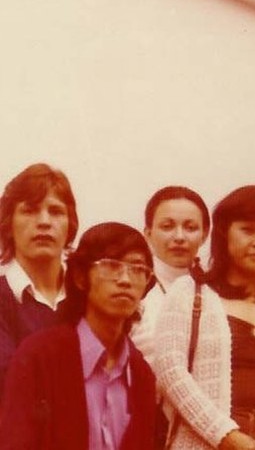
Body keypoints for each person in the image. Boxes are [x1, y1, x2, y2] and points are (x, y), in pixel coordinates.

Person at [154, 185, 255, 450]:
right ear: (224, 233)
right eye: (248, 230)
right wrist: (229, 437)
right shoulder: (189, 292)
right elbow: (171, 371)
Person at [0, 222, 157, 449]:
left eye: (138, 269)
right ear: (81, 278)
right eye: (112, 266)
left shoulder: (141, 375)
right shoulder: (39, 356)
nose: (126, 280)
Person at [0, 163, 78, 396]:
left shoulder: (88, 297)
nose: (44, 221)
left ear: (69, 224)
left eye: (55, 211)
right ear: (9, 224)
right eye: (30, 210)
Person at [130, 185, 210, 360]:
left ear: (204, 235)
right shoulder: (132, 289)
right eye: (167, 226)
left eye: (190, 228)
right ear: (148, 234)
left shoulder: (215, 291)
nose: (179, 237)